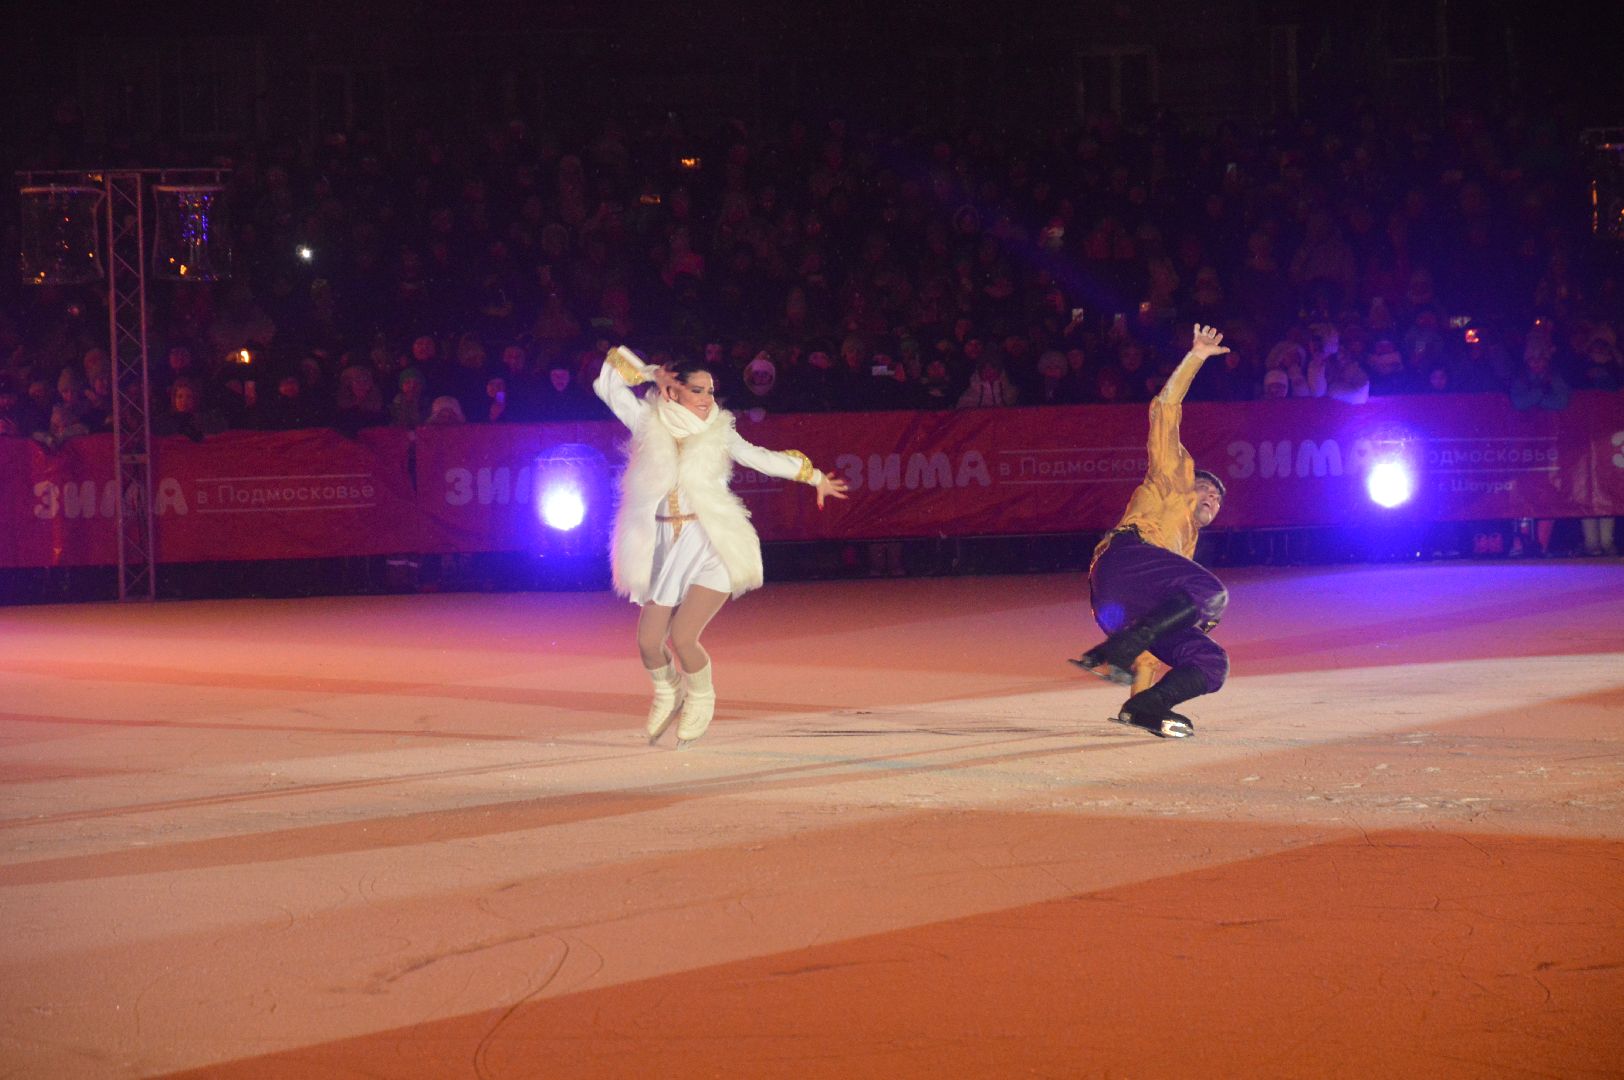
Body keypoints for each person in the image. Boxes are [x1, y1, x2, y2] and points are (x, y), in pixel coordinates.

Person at [593, 345, 848, 747]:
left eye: (711, 391)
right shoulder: (646, 420)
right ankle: (667, 690)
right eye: (698, 391)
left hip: (709, 540)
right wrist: (649, 372)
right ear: (673, 391)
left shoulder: (719, 430)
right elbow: (609, 382)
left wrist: (813, 476)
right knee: (647, 642)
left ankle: (701, 696)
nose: (708, 400)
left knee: (683, 635)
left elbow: (758, 457)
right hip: (663, 543)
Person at [1071, 324, 1232, 738]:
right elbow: (1165, 407)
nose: (1213, 498)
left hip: (1122, 606)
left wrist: (1137, 674)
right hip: (1124, 561)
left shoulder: (1185, 548)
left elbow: (1152, 652)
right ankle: (1116, 651)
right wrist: (1195, 356)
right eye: (1208, 488)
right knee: (1210, 593)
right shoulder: (1171, 476)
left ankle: (1143, 707)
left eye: (1218, 499)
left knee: (1211, 661)